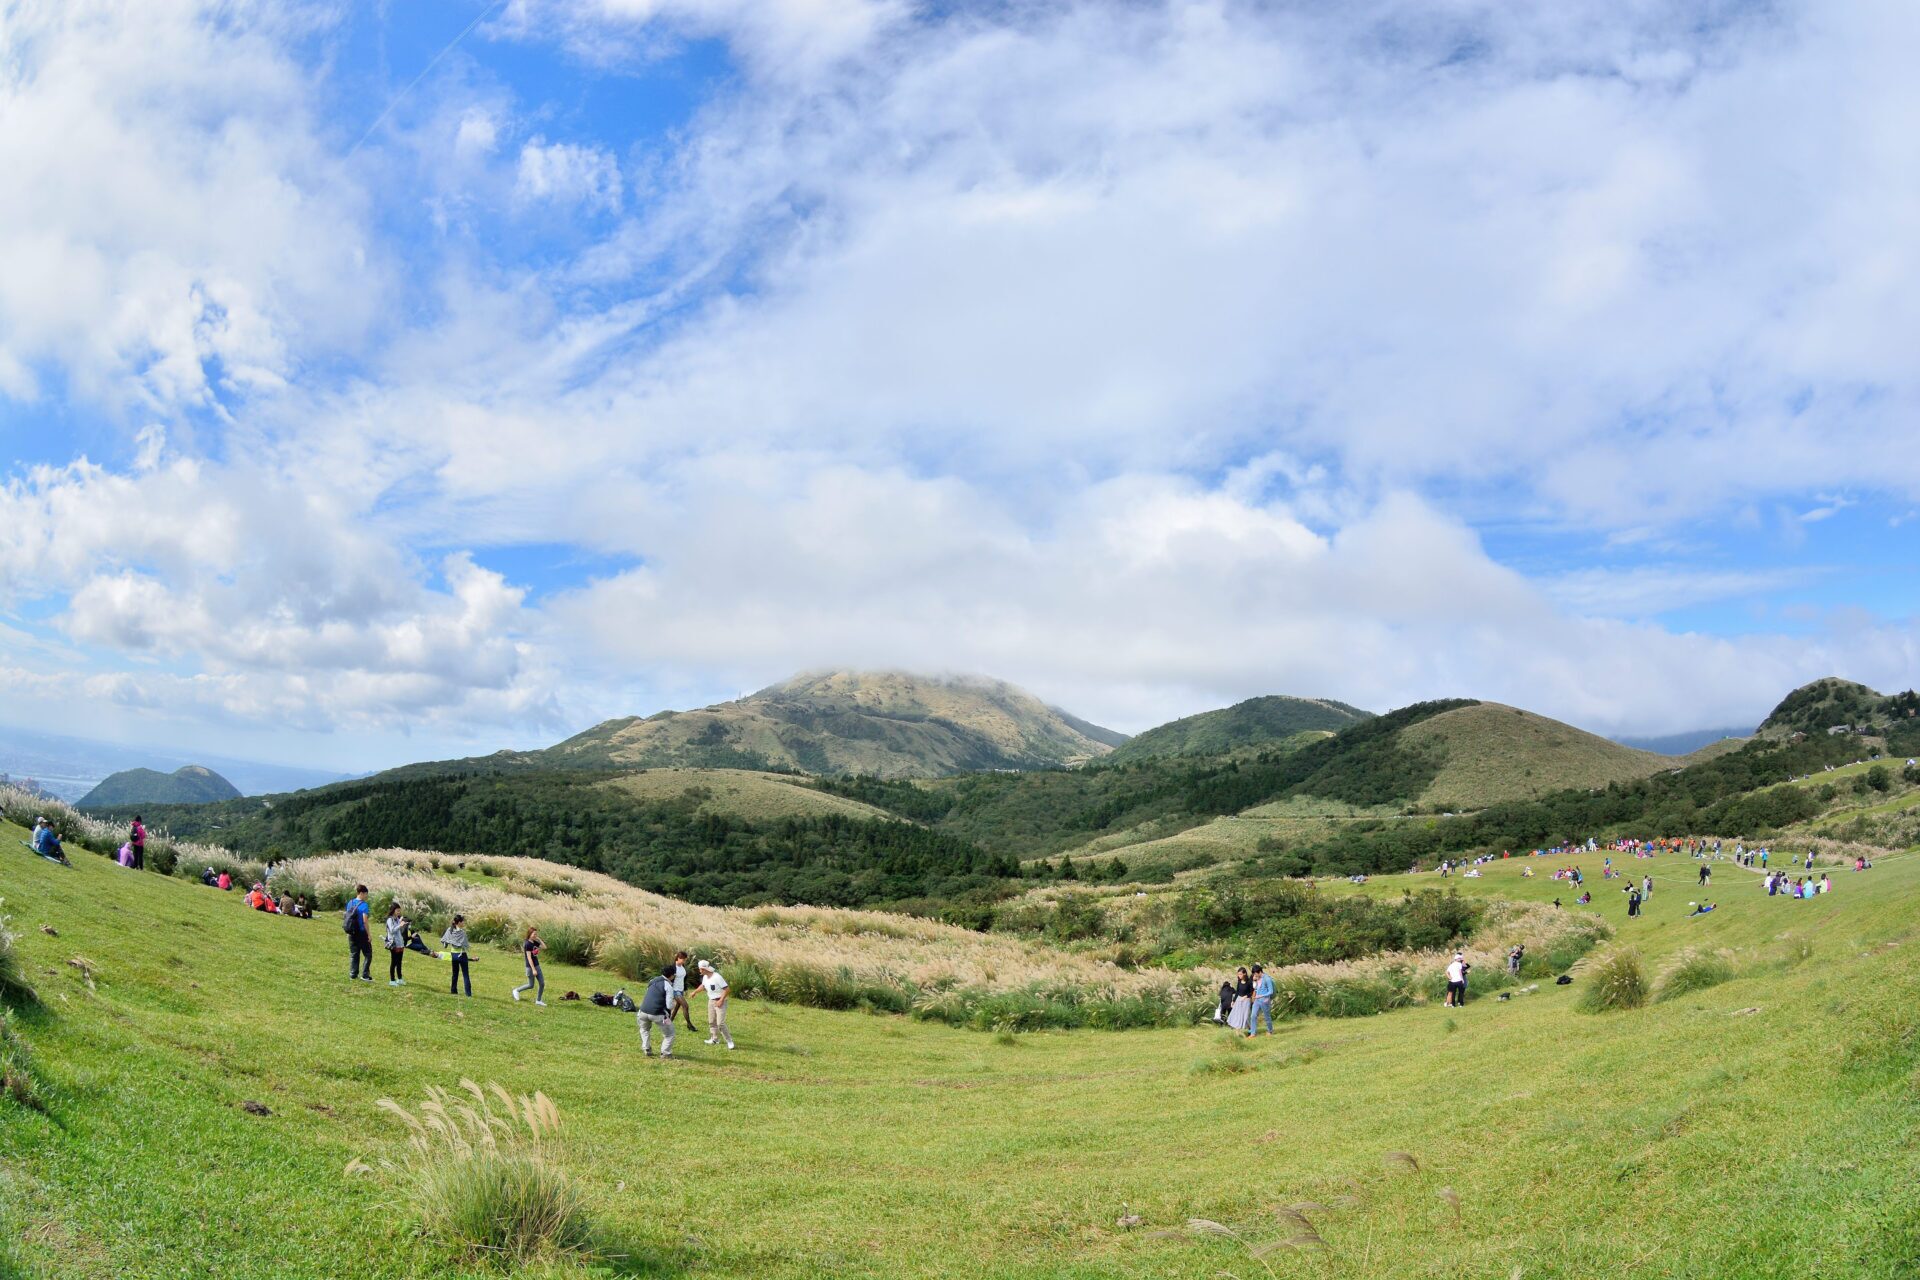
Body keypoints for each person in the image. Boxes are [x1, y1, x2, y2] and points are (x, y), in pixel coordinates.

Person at [637, 962, 677, 1058]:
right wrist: (674, 1004)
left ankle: (646, 1048)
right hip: (658, 1014)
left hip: (642, 1012)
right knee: (670, 1034)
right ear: (672, 975)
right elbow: (669, 1005)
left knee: (644, 1029)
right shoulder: (668, 986)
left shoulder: (652, 980)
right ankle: (665, 1053)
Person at [698, 959, 734, 1049]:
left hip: (720, 1001)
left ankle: (729, 1041)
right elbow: (703, 986)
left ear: (705, 969)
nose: (699, 971)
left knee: (720, 1023)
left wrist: (721, 1000)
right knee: (711, 1021)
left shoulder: (717, 977)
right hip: (711, 1001)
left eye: (700, 969)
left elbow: (727, 989)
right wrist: (695, 992)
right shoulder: (705, 977)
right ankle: (714, 1039)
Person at [343, 884, 373, 982]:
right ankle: (365, 975)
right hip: (361, 932)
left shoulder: (350, 903)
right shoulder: (364, 905)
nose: (366, 897)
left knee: (354, 954)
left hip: (351, 932)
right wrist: (368, 934)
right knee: (368, 954)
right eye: (365, 894)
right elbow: (364, 920)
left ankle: (353, 974)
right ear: (361, 893)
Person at [512, 926, 546, 1006]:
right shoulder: (527, 944)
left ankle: (538, 1000)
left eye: (536, 934)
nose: (535, 935)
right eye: (534, 934)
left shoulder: (535, 942)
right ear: (530, 934)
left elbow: (544, 947)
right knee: (531, 985)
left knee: (542, 983)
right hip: (530, 967)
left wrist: (539, 939)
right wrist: (533, 970)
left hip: (537, 965)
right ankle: (516, 990)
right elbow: (529, 958)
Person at [442, 914, 472, 997]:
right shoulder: (462, 933)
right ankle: (468, 994)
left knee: (455, 974)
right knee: (465, 975)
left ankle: (453, 990)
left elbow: (445, 941)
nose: (463, 923)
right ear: (459, 922)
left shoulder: (450, 930)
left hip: (453, 954)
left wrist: (446, 944)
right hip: (462, 955)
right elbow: (465, 945)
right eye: (463, 922)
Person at [671, 950, 696, 1030]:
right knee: (685, 1005)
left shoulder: (682, 967)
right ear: (678, 958)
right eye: (683, 959)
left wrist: (685, 989)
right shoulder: (672, 968)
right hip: (675, 990)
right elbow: (668, 979)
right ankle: (689, 1025)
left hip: (680, 990)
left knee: (676, 1008)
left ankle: (669, 1023)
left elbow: (684, 979)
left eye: (685, 960)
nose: (684, 961)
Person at [384, 905, 408, 986]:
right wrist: (399, 925)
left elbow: (399, 931)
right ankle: (392, 980)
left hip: (400, 944)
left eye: (399, 910)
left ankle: (400, 979)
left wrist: (402, 923)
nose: (399, 912)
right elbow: (392, 930)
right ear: (393, 910)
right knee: (393, 962)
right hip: (394, 944)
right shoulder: (390, 920)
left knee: (399, 962)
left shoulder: (397, 919)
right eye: (397, 910)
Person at [1248, 964, 1275, 1036]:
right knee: (1253, 1015)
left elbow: (1271, 991)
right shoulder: (1257, 978)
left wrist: (1262, 995)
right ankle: (1253, 1033)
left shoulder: (1267, 979)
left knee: (1267, 1017)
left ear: (1259, 972)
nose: (1254, 975)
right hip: (1257, 1000)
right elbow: (1256, 988)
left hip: (1265, 1001)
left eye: (1255, 973)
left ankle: (1270, 1031)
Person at [1225, 967, 1252, 1032]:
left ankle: (1250, 1030)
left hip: (1246, 1001)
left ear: (1244, 974)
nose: (1239, 975)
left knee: (1245, 1017)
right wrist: (1233, 1001)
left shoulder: (1249, 982)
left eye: (1240, 974)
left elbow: (1251, 992)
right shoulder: (1239, 981)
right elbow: (1237, 992)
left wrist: (1245, 996)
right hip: (1239, 1000)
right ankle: (1237, 1030)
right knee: (1237, 1015)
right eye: (1238, 974)